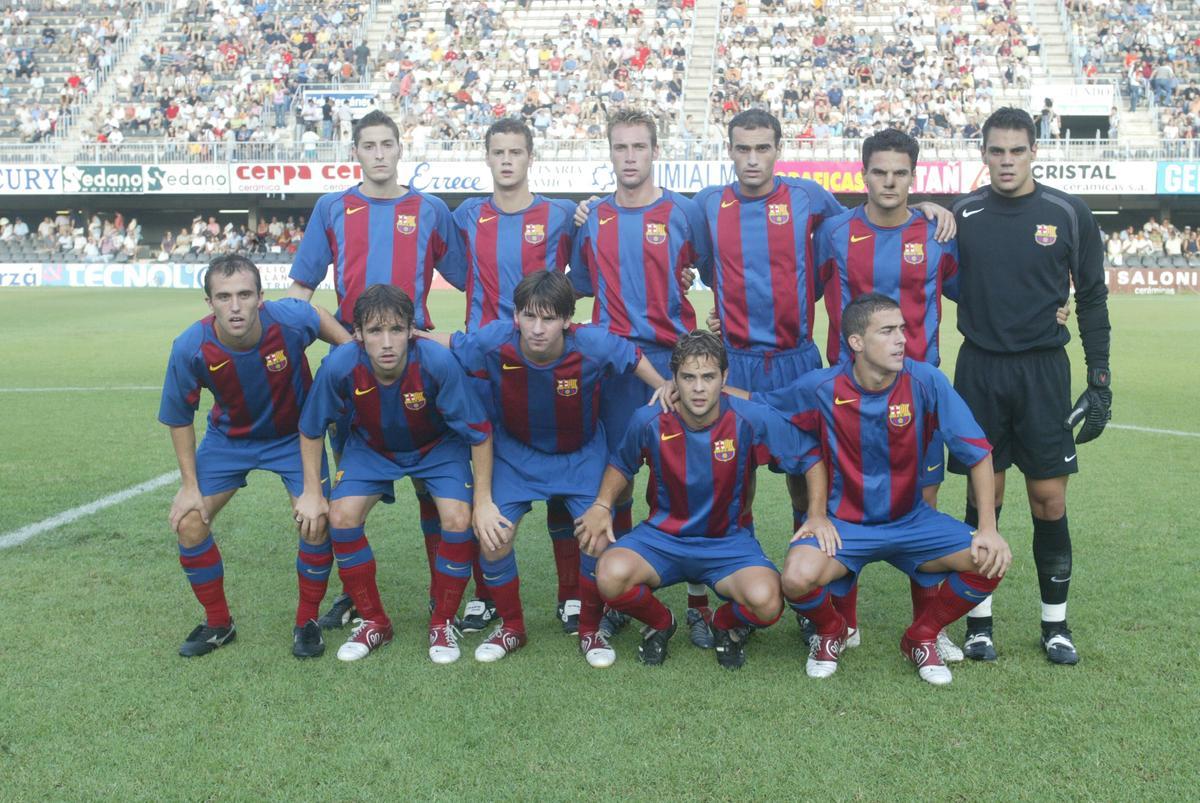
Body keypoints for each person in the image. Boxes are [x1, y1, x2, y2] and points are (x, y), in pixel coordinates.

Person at [693, 109, 954, 641]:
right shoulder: (706, 206)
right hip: (737, 360)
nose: (752, 158)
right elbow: (699, 264)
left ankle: (818, 613)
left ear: (778, 149)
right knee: (725, 485)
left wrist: (924, 208)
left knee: (812, 486)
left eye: (762, 147)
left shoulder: (812, 201)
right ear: (729, 150)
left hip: (799, 358)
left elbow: (875, 216)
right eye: (742, 148)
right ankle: (724, 602)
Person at [746, 294, 1011, 685]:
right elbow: (759, 403)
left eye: (902, 329)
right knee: (796, 578)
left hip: (911, 521)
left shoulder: (926, 380)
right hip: (845, 526)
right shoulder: (822, 387)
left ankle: (921, 635)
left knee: (989, 560)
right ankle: (832, 629)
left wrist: (988, 527)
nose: (901, 339)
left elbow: (978, 453)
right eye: (887, 331)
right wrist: (688, 391)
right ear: (856, 342)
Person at [421, 272, 667, 665]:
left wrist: (664, 387)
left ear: (568, 320)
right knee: (493, 538)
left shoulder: (591, 343)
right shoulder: (496, 339)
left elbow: (634, 358)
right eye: (529, 317)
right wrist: (406, 337)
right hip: (515, 454)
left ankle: (590, 631)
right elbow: (452, 342)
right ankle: (512, 627)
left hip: (581, 454)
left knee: (597, 538)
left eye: (549, 319)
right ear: (515, 316)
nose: (537, 329)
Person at [288, 109, 465, 631]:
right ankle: (352, 595)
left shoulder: (430, 209)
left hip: (417, 362)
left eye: (388, 143)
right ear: (357, 152)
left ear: (399, 148)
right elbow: (301, 292)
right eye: (370, 145)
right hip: (352, 360)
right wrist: (332, 344)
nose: (380, 153)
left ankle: (443, 596)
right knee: (349, 486)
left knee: (433, 487)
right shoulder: (332, 207)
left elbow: (473, 280)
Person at [950, 107, 1111, 665]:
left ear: (1034, 152)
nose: (1006, 161)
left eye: (1017, 150)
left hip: (1044, 373)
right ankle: (978, 623)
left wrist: (1100, 379)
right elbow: (934, 277)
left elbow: (1091, 297)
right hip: (981, 371)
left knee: (1048, 501)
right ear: (983, 153)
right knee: (982, 499)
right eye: (996, 150)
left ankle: (1055, 626)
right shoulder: (963, 214)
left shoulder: (1067, 213)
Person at [576, 331, 823, 670]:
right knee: (609, 574)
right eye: (688, 377)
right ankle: (661, 622)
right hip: (662, 539)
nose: (698, 387)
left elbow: (809, 455)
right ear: (673, 378)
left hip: (727, 543)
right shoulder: (648, 420)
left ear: (724, 377)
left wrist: (818, 515)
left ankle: (724, 625)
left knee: (767, 603)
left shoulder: (748, 417)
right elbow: (621, 463)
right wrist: (602, 505)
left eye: (708, 377)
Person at [569, 108, 715, 646]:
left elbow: (714, 269)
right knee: (618, 476)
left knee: (691, 477)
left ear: (655, 151)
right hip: (613, 366)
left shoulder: (685, 211)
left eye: (639, 147)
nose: (629, 157)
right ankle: (621, 594)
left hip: (676, 361)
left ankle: (699, 600)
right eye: (620, 148)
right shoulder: (592, 219)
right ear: (609, 153)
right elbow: (581, 284)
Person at [158, 255, 349, 659]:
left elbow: (319, 318)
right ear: (209, 302)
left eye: (245, 294)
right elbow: (178, 418)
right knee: (189, 523)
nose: (235, 306)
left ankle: (307, 621)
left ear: (261, 297)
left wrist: (352, 353)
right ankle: (218, 623)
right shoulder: (190, 347)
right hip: (230, 440)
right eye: (224, 297)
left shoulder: (289, 320)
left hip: (296, 438)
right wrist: (190, 487)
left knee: (314, 520)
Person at [293, 285, 495, 664]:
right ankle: (374, 622)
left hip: (437, 447)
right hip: (372, 448)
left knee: (457, 518)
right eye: (374, 331)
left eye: (396, 330)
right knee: (340, 516)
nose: (386, 342)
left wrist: (482, 501)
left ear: (412, 331)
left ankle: (442, 621)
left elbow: (480, 434)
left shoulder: (438, 362)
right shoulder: (340, 364)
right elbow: (311, 427)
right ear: (356, 335)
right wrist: (310, 491)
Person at [451, 118, 581, 635]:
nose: (507, 160)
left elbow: (586, 273)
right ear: (487, 157)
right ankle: (485, 596)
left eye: (516, 152)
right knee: (482, 474)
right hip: (484, 364)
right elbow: (459, 273)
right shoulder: (465, 216)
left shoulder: (562, 215)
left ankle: (571, 595)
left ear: (531, 157)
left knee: (556, 470)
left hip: (544, 363)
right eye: (498, 152)